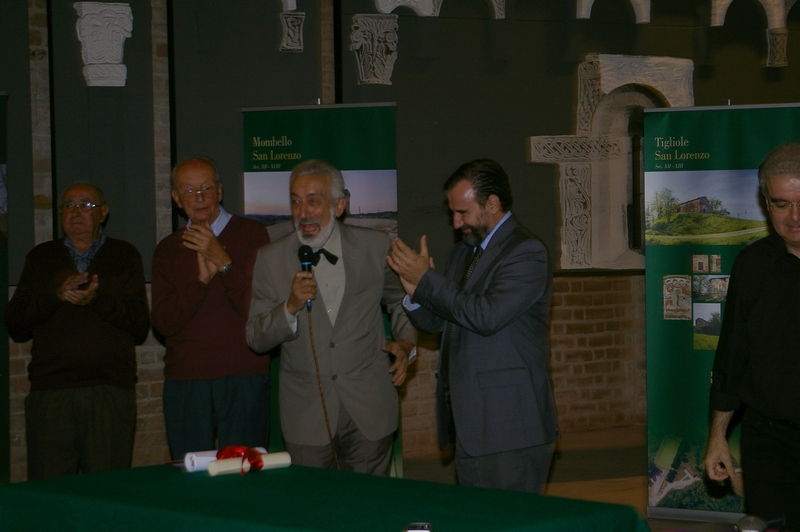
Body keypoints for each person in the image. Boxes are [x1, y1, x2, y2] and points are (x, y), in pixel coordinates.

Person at [386, 158, 558, 492]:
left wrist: (427, 281)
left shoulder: (526, 251)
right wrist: (416, 295)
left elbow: (486, 316)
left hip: (508, 424)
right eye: (452, 212)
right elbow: (440, 323)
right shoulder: (464, 253)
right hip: (470, 420)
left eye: (462, 212)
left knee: (510, 522)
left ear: (492, 203)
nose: (455, 222)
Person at [246, 159, 415, 475]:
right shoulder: (271, 259)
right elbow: (255, 337)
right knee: (315, 514)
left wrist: (406, 343)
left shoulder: (375, 246)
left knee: (366, 512)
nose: (303, 212)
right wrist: (290, 308)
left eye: (313, 200)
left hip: (369, 408)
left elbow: (400, 301)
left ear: (339, 205)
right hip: (305, 416)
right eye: (295, 201)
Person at [5, 183, 149, 480]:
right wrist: (55, 295)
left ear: (103, 213)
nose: (75, 212)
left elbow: (139, 325)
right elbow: (15, 323)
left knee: (108, 496)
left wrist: (98, 300)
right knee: (52, 498)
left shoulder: (124, 255)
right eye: (68, 206)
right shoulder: (41, 257)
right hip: (51, 394)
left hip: (108, 392)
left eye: (85, 205)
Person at [703, 142, 800, 528]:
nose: (795, 216)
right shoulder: (753, 265)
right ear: (765, 203)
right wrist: (718, 435)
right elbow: (732, 358)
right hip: (770, 444)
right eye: (781, 204)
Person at [151, 157, 271, 460]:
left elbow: (258, 310)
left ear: (219, 191)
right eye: (189, 191)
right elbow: (163, 324)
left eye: (206, 188)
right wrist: (200, 282)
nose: (199, 197)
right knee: (189, 477)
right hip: (186, 380)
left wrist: (224, 262)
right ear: (177, 199)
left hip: (244, 375)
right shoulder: (167, 249)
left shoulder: (252, 235)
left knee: (244, 476)